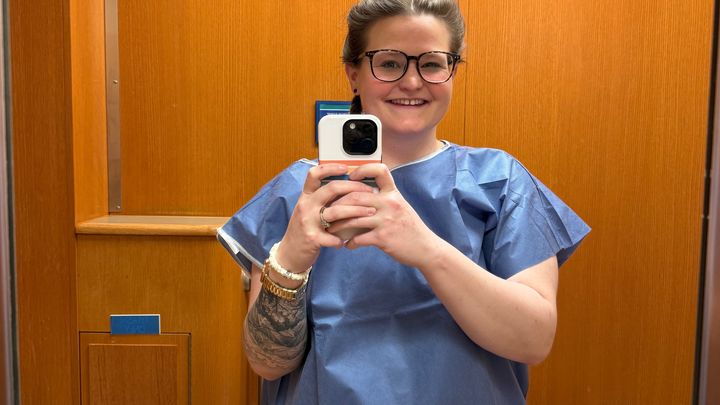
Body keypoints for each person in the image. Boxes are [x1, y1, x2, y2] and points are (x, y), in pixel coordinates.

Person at [218, 0, 590, 403]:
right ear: (354, 74)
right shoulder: (300, 191)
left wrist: (426, 249)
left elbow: (533, 341)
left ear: (452, 71)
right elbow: (268, 363)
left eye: (431, 64)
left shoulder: (501, 182)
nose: (412, 82)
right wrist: (289, 261)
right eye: (390, 63)